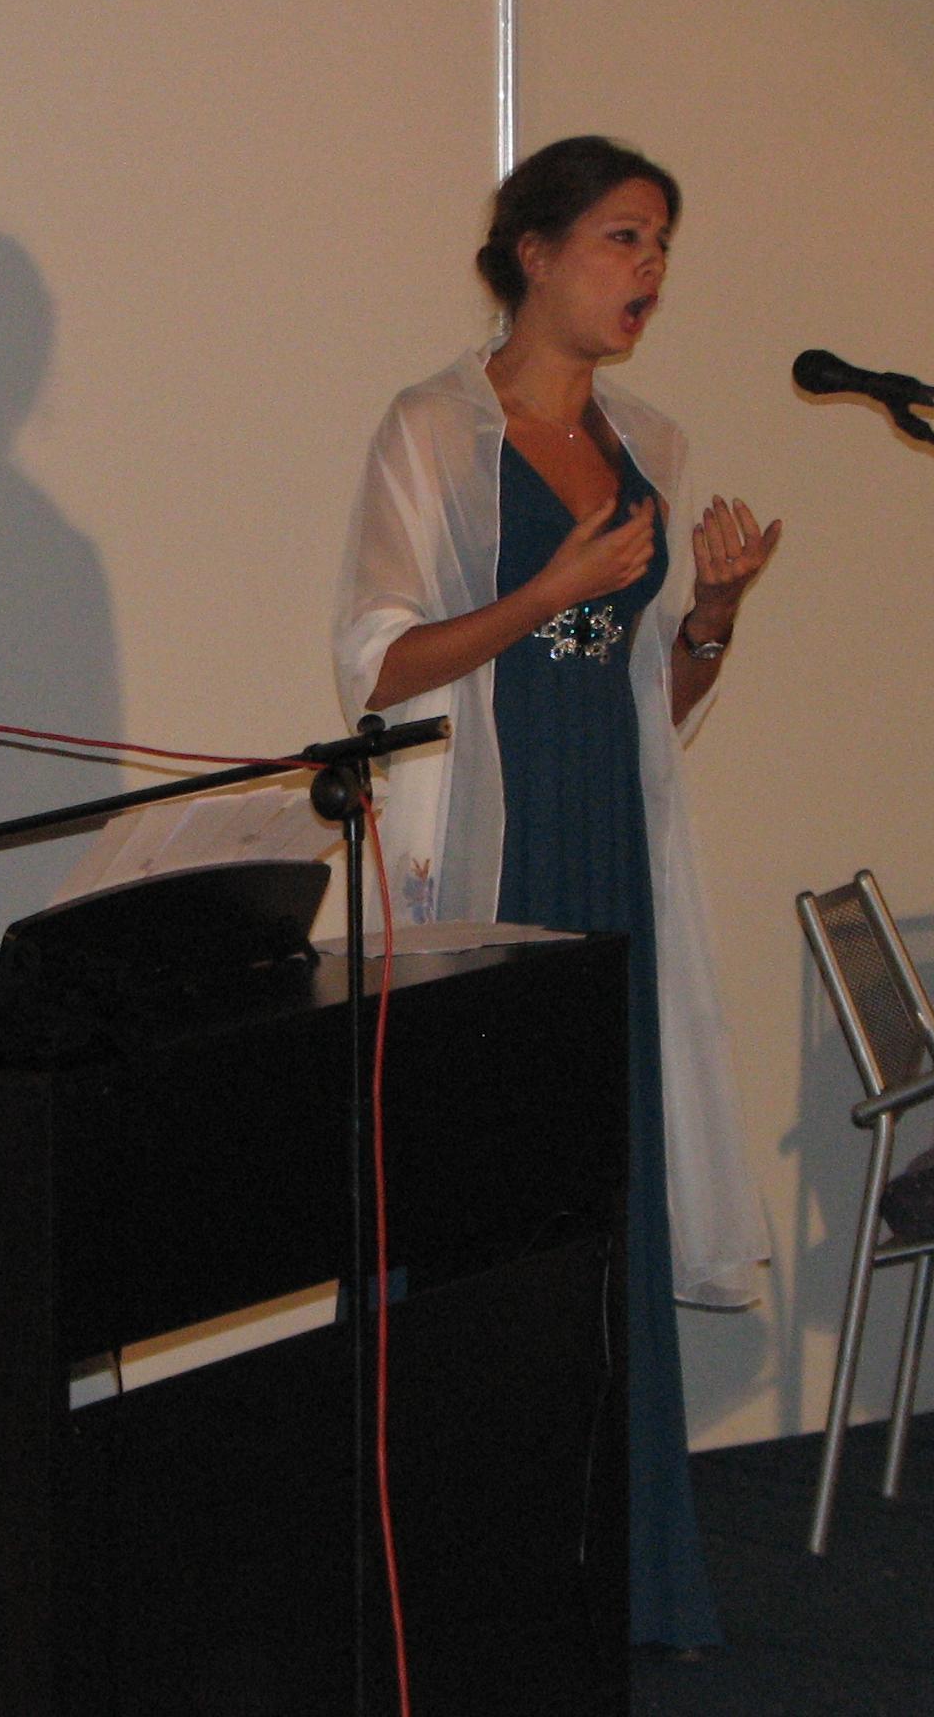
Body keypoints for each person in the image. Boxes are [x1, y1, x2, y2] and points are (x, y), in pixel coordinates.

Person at [331, 135, 776, 1650]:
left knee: (604, 1195)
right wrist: (542, 595)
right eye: (622, 238)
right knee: (479, 1202)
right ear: (532, 251)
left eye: (662, 247)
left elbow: (651, 697)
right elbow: (378, 665)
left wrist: (708, 618)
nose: (648, 271)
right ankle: (456, 1586)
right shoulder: (434, 429)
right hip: (492, 855)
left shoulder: (647, 438)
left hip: (610, 845)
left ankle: (618, 1578)